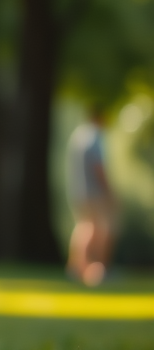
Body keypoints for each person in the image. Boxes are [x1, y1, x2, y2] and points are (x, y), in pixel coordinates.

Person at [66, 112, 116, 286]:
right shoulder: (94, 138)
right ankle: (97, 270)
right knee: (98, 229)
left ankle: (76, 268)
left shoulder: (77, 136)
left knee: (83, 227)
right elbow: (98, 167)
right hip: (94, 193)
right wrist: (110, 191)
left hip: (78, 191)